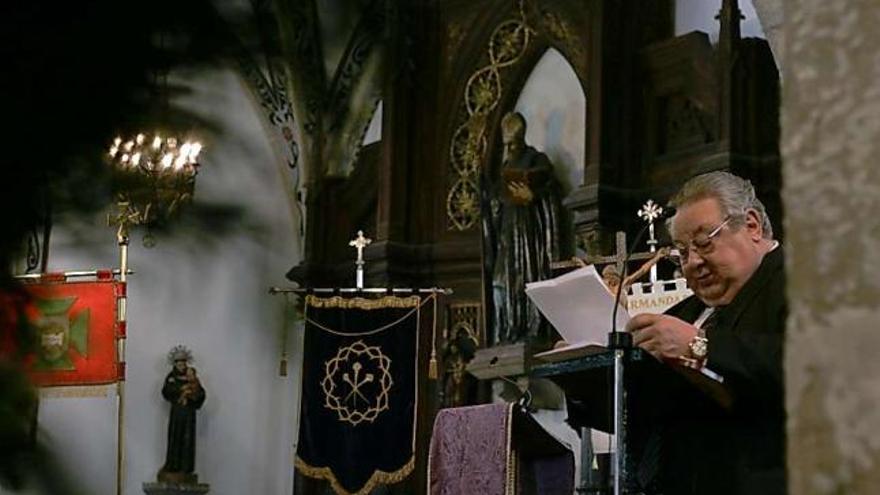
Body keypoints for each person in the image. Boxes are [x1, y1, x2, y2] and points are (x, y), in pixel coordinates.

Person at [625, 171, 785, 494]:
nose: (692, 262)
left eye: (703, 242)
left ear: (751, 225)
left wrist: (699, 346)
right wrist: (586, 369)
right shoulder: (685, 313)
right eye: (682, 252)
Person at [482, 111, 568, 345]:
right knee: (499, 283)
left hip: (529, 233)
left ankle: (532, 329)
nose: (510, 148)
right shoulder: (505, 167)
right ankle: (507, 330)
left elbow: (551, 190)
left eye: (513, 142)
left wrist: (533, 196)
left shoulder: (535, 159)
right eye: (507, 143)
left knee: (528, 277)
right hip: (507, 234)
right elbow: (495, 201)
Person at [158, 346, 206, 484]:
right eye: (178, 362)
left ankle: (186, 468)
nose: (181, 365)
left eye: (183, 362)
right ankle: (173, 465)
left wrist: (192, 395)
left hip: (189, 414)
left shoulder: (192, 378)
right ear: (175, 363)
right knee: (175, 437)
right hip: (177, 414)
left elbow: (201, 394)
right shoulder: (171, 378)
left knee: (188, 439)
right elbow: (167, 391)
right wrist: (180, 390)